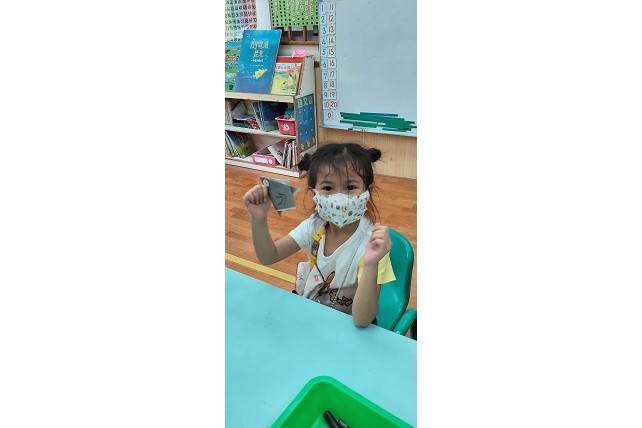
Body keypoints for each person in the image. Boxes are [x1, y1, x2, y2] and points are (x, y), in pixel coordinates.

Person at [241, 142, 395, 327]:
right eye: (328, 188)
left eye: (350, 187)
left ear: (367, 191)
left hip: (346, 324)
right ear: (314, 192)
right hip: (312, 313)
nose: (339, 199)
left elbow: (362, 320)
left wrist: (371, 264)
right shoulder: (314, 226)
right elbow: (268, 256)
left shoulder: (371, 245)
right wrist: (258, 219)